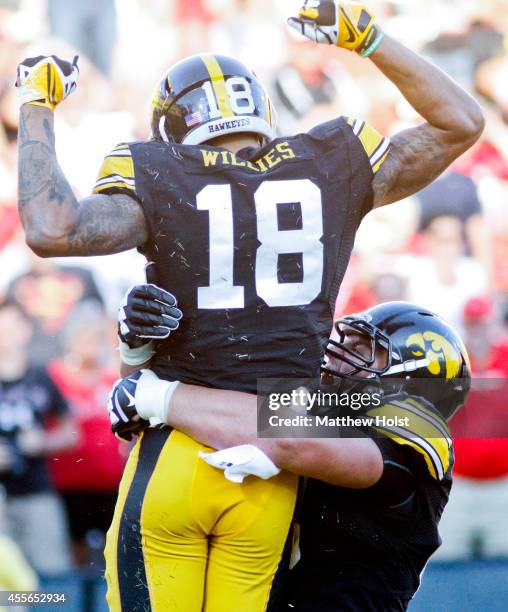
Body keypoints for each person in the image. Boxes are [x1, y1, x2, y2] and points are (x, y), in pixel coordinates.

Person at [16, 1, 484, 608]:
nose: (346, 351)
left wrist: (35, 103)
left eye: (367, 348)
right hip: (268, 494)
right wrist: (368, 38)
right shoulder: (327, 169)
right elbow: (460, 123)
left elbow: (52, 229)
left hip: (181, 451)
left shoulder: (383, 428)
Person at [110, 300, 471, 611]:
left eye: (362, 350)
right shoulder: (332, 411)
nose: (340, 357)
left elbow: (287, 439)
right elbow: (139, 406)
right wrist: (138, 353)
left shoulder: (420, 434)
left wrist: (156, 396)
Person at [0, 298, 75, 576]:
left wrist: (43, 442)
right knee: (7, 584)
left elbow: (71, 431)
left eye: (11, 328)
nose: (6, 336)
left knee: (52, 577)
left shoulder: (41, 375)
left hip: (37, 492)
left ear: (25, 330)